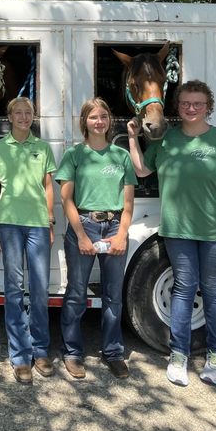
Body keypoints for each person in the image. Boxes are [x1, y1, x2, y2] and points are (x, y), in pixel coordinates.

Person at [128, 79, 216, 387]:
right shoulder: (166, 141)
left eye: (197, 104)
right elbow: (143, 170)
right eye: (185, 104)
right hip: (178, 229)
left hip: (215, 230)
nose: (191, 108)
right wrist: (132, 139)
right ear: (178, 107)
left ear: (208, 107)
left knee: (213, 292)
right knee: (183, 290)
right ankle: (179, 355)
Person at [56, 97, 136, 380]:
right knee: (76, 293)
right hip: (84, 225)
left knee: (114, 295)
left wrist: (122, 235)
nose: (99, 121)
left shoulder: (121, 156)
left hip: (114, 226)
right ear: (84, 122)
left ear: (109, 120)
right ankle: (73, 353)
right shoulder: (74, 155)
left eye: (103, 116)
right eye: (93, 117)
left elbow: (127, 203)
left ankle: (113, 352)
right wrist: (80, 236)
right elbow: (66, 200)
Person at [0, 97, 57, 384]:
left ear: (33, 116)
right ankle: (19, 355)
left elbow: (48, 186)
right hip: (9, 224)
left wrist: (50, 220)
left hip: (38, 223)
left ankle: (40, 351)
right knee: (14, 288)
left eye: (29, 112)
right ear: (10, 116)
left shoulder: (43, 148)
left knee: (39, 289)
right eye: (18, 112)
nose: (24, 117)